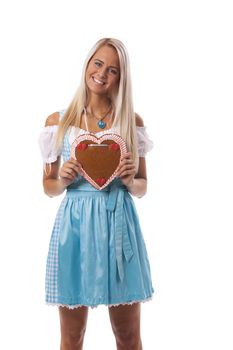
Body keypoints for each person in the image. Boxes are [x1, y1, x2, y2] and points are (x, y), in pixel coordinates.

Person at [39, 38, 154, 350]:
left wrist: (130, 180)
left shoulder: (131, 121)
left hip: (120, 223)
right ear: (87, 65)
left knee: (128, 336)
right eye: (98, 63)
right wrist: (62, 180)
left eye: (113, 70)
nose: (102, 73)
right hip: (75, 228)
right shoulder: (58, 122)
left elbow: (143, 186)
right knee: (72, 337)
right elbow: (48, 187)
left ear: (121, 77)